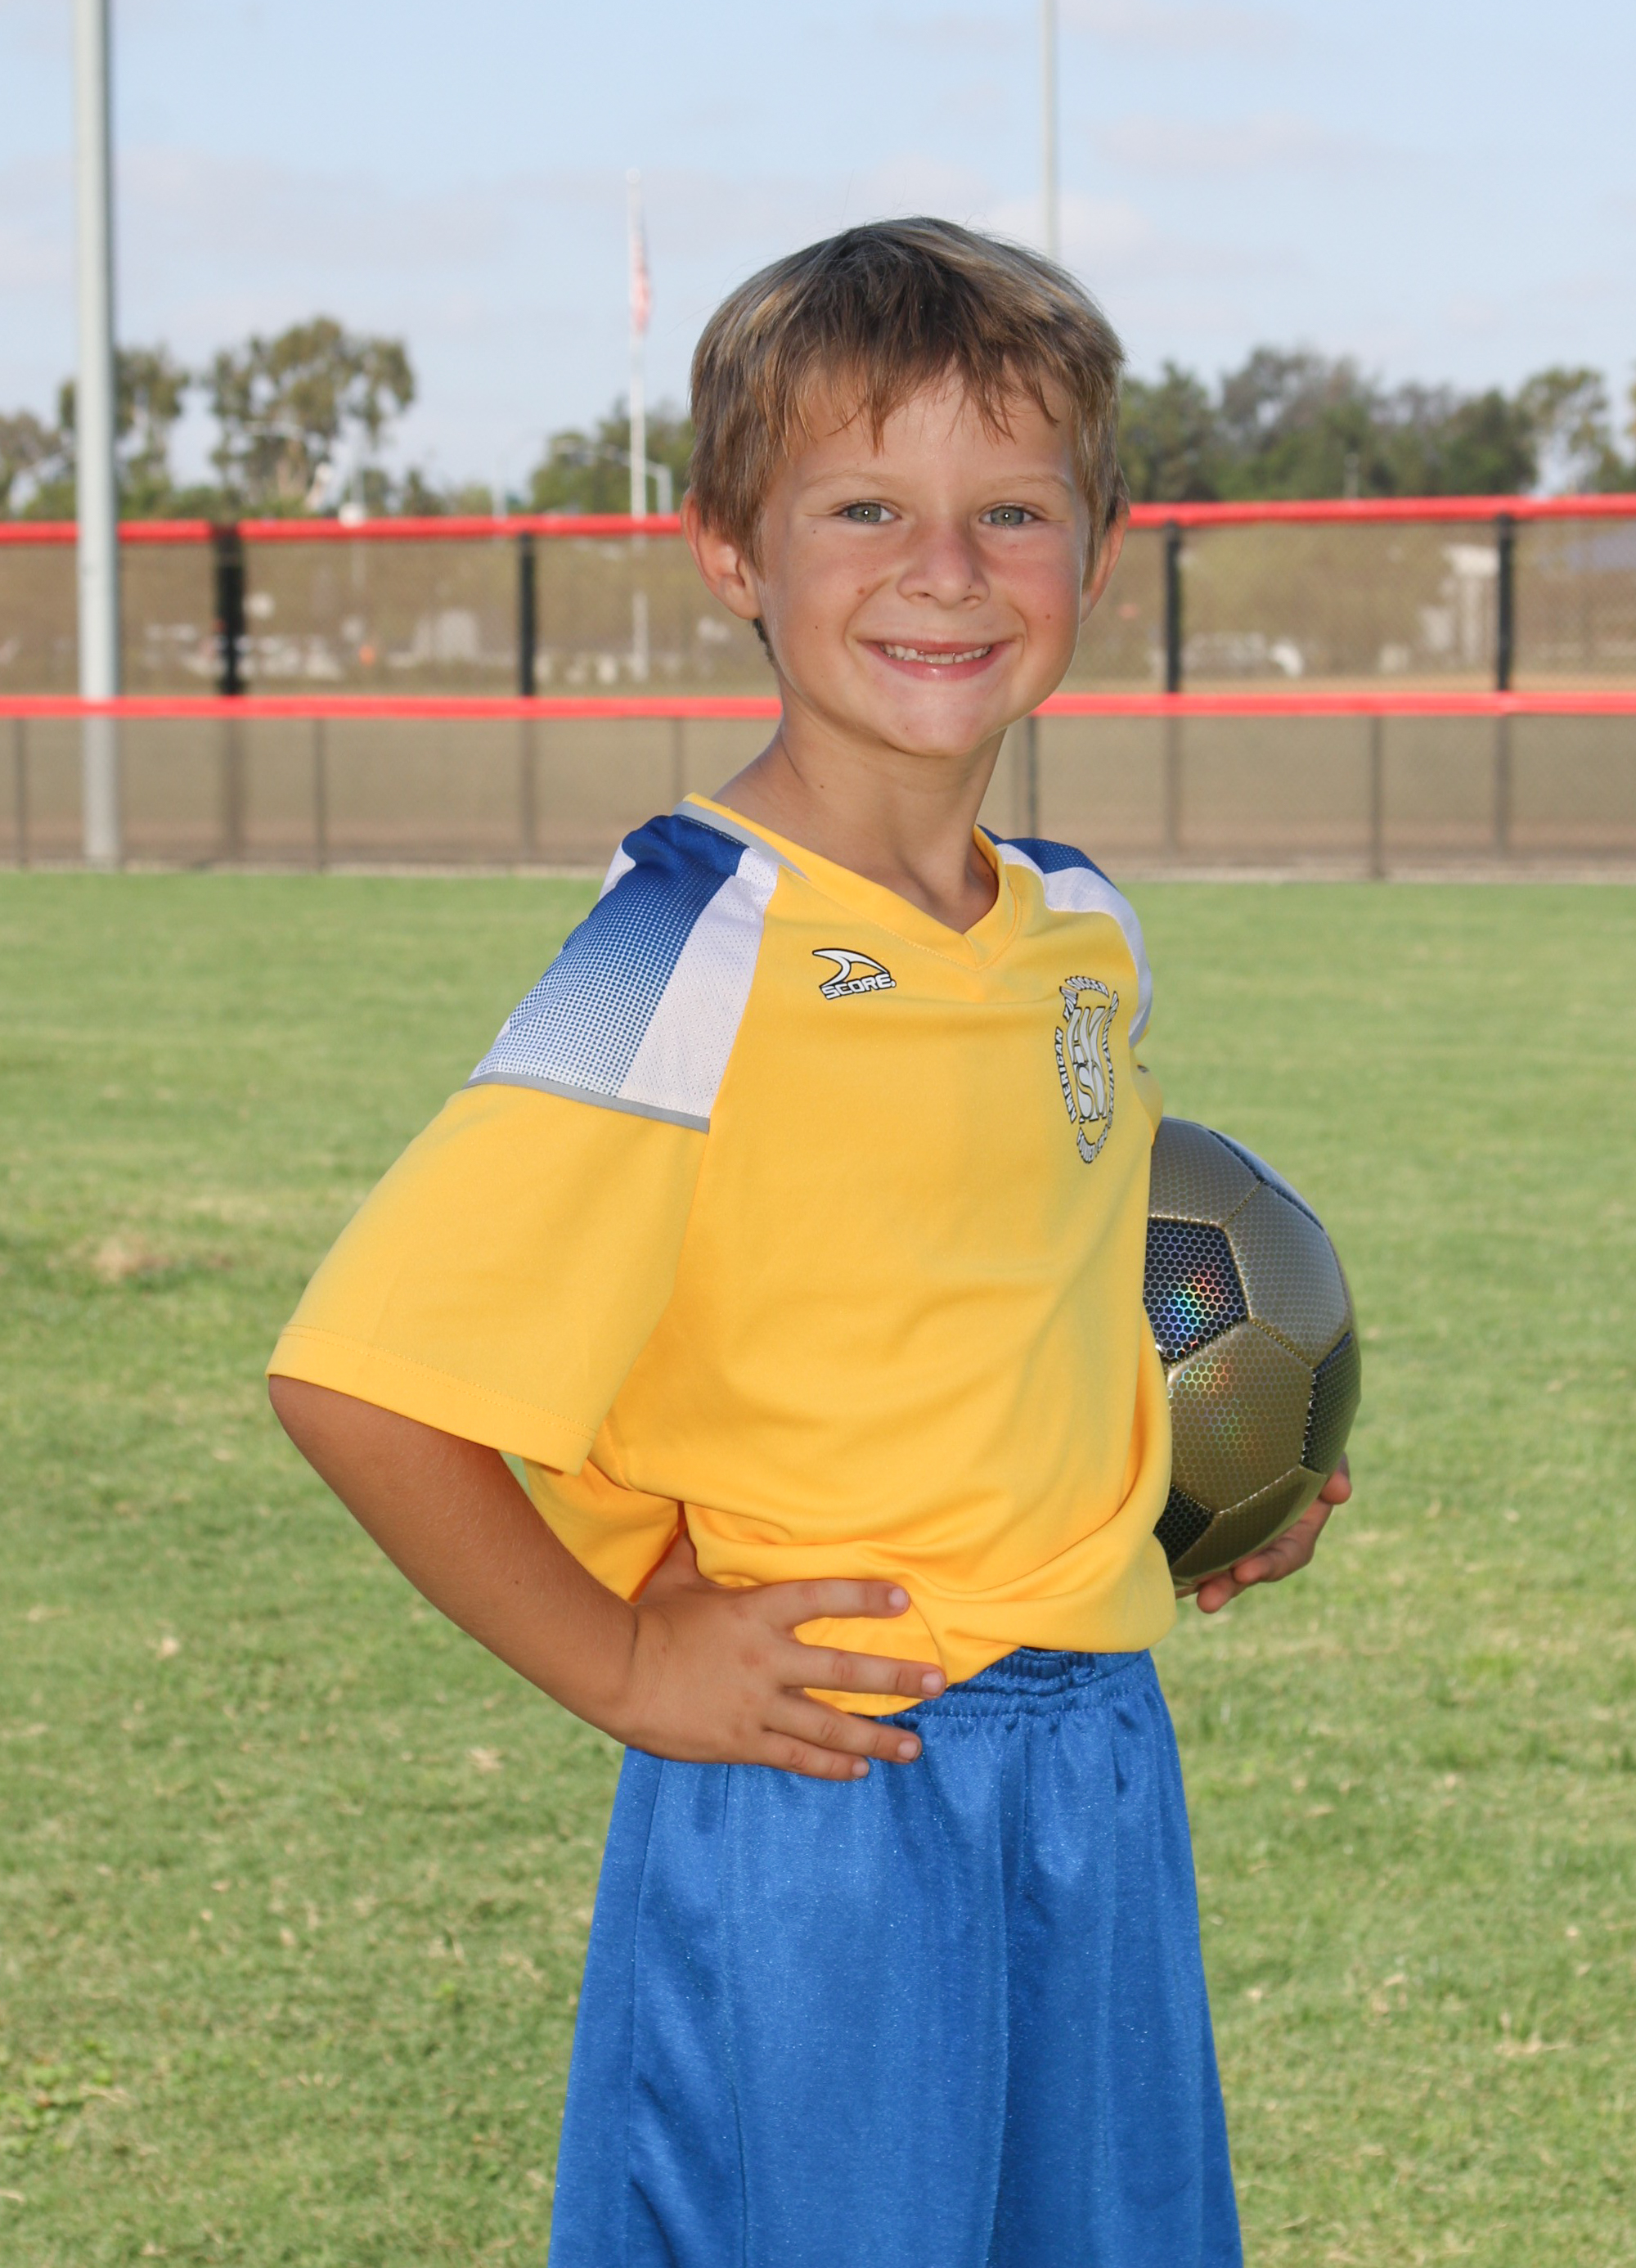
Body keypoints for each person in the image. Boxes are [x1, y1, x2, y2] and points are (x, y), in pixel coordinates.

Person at [268, 217, 1351, 2267]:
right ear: (730, 553)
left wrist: (1216, 1478)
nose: (944, 568)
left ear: (1097, 553)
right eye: (865, 508)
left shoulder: (1080, 931)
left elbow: (1035, 1279)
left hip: (1093, 1760)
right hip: (823, 1779)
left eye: (1008, 509)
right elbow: (359, 1379)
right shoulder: (685, 941)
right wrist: (625, 1661)